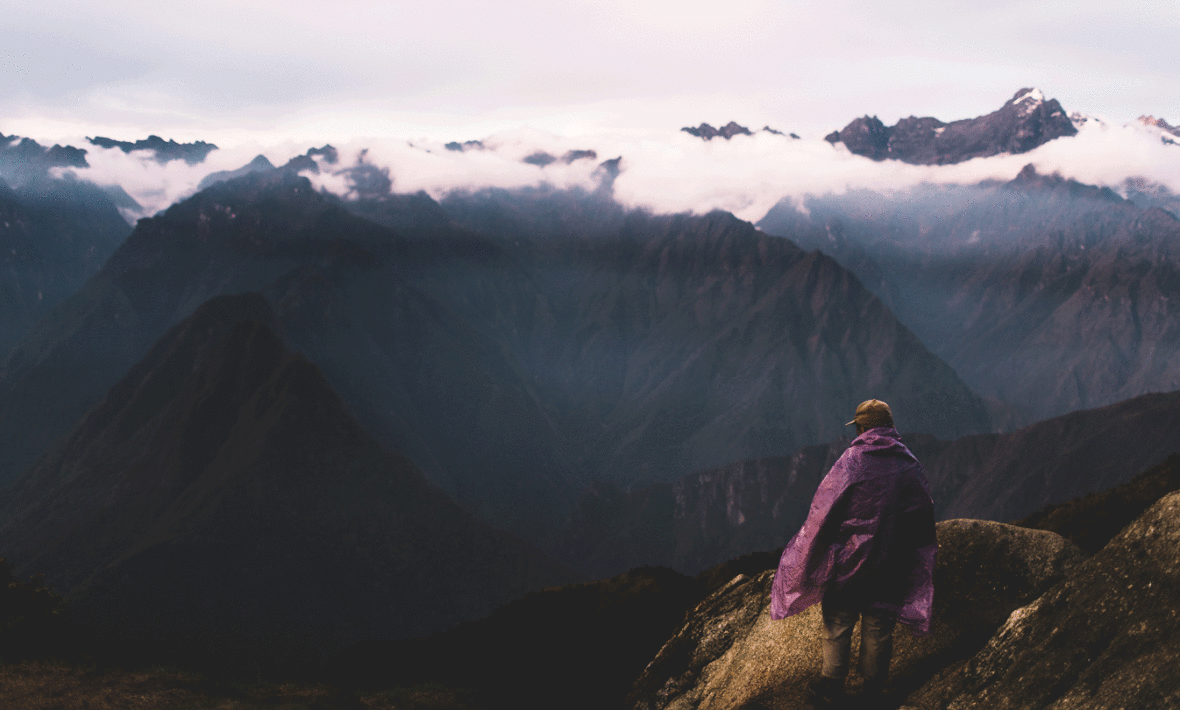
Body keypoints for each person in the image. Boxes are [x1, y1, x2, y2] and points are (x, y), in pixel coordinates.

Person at [770, 399, 938, 708]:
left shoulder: (851, 462)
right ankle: (873, 691)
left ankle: (830, 688)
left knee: (838, 625)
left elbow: (822, 513)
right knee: (878, 626)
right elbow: (921, 514)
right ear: (889, 427)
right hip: (891, 564)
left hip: (847, 564)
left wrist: (807, 552)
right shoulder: (909, 464)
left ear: (861, 428)